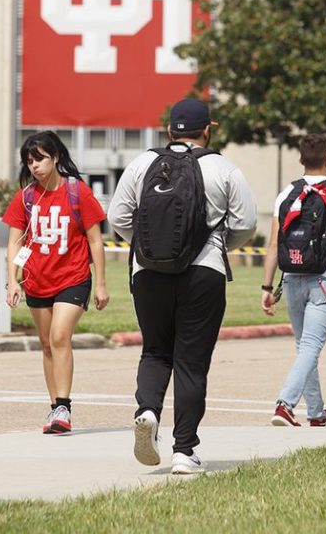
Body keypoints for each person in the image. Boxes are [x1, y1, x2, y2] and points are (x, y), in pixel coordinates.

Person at [108, 98, 256, 474]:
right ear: (207, 130)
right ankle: (184, 451)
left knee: (156, 351)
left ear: (170, 130)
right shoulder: (223, 168)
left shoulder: (142, 163)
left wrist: (146, 246)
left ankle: (147, 411)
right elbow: (245, 224)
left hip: (147, 272)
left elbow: (118, 216)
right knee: (191, 362)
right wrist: (218, 246)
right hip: (204, 272)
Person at [3, 130, 109, 435]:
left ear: (56, 157)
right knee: (48, 344)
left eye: (40, 159)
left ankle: (64, 405)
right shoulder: (25, 198)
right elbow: (14, 243)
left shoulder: (78, 192)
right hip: (37, 279)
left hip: (73, 278)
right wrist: (12, 281)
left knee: (60, 336)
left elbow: (96, 241)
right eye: (29, 161)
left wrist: (100, 284)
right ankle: (55, 411)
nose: (34, 166)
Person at [261, 134, 326, 428]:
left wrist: (267, 286)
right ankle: (285, 404)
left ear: (300, 159)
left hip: (292, 275)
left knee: (304, 346)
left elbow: (274, 245)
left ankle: (316, 413)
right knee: (310, 345)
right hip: (324, 279)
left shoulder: (286, 194)